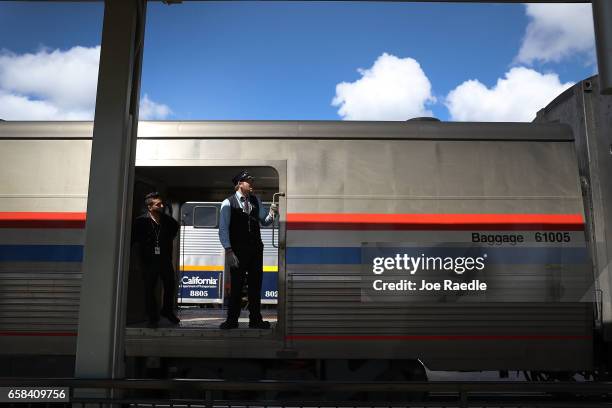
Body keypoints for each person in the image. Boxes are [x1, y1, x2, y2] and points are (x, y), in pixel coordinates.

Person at [218, 170, 278, 329]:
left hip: (256, 249)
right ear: (238, 184)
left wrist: (272, 212)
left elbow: (265, 222)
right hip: (237, 250)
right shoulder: (228, 203)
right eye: (248, 181)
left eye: (252, 181)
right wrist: (228, 250)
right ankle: (232, 320)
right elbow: (223, 229)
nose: (252, 183)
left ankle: (255, 320)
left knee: (255, 286)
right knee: (236, 286)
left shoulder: (256, 200)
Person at [132, 192, 181, 328]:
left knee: (170, 285)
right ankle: (152, 317)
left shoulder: (168, 221)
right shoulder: (140, 222)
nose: (161, 205)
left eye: (161, 203)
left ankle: (167, 311)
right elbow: (134, 240)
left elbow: (174, 230)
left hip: (164, 259)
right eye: (158, 204)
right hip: (149, 261)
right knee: (149, 288)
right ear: (149, 207)